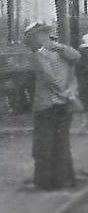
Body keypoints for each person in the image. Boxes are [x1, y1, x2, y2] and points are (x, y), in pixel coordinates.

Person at [24, 22, 82, 191]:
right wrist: (68, 92)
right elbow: (77, 56)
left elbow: (50, 78)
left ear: (38, 36)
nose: (29, 41)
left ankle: (46, 183)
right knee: (62, 142)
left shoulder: (40, 54)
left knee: (44, 144)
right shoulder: (63, 53)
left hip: (47, 105)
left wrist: (61, 92)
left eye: (31, 37)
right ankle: (65, 179)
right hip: (65, 103)